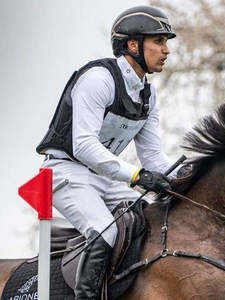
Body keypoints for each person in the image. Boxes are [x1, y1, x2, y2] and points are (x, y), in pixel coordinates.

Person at [36, 5, 176, 299]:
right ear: (133, 45)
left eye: (167, 42)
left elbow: (153, 158)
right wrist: (137, 175)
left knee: (148, 220)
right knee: (105, 231)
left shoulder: (147, 94)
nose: (166, 50)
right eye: (159, 41)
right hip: (65, 172)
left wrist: (187, 177)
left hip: (105, 178)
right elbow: (84, 146)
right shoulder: (98, 79)